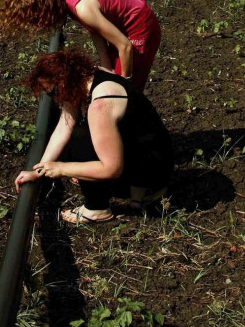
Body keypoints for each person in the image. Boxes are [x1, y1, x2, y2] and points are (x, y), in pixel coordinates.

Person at [14, 49, 173, 224]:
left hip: (153, 169)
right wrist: (39, 170)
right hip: (144, 155)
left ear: (64, 82)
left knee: (81, 138)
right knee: (75, 137)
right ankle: (137, 190)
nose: (55, 99)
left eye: (52, 92)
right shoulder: (86, 79)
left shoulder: (101, 105)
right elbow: (63, 127)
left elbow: (112, 168)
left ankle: (97, 209)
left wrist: (61, 168)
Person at [0, 0, 161, 90]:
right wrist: (106, 65)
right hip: (126, 23)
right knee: (113, 75)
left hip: (141, 24)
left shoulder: (82, 8)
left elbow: (125, 46)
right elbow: (95, 29)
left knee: (127, 83)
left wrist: (125, 87)